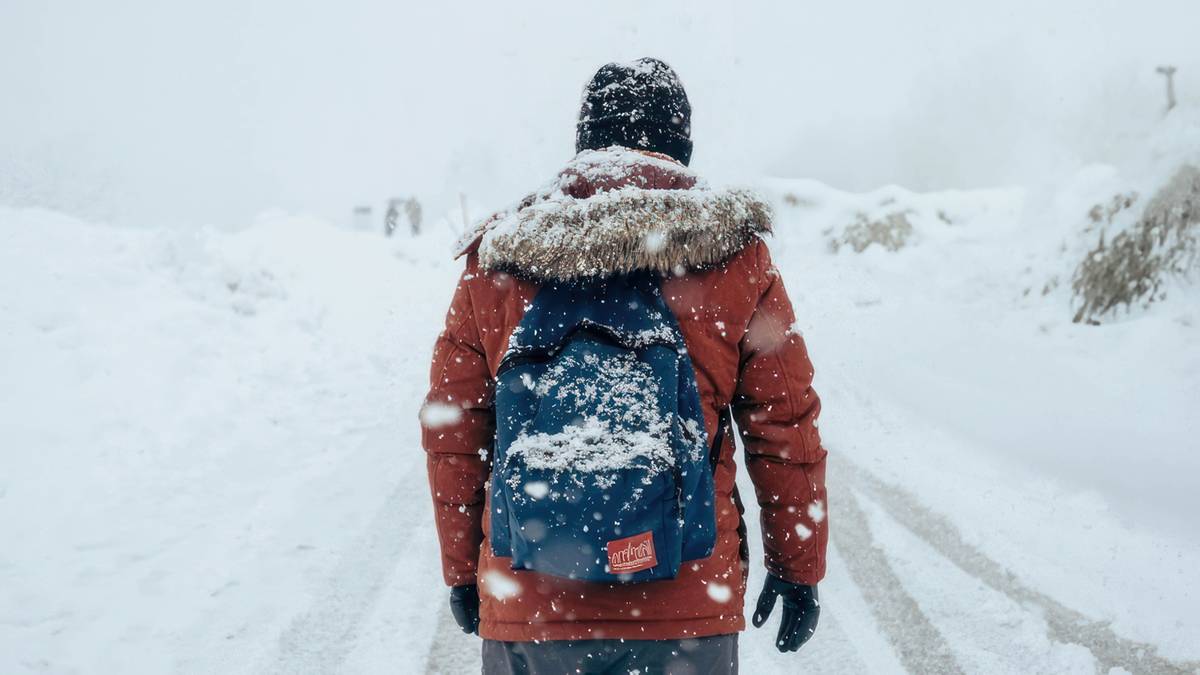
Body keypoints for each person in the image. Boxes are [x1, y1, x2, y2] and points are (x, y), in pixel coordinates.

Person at [421, 57, 828, 675]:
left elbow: (455, 434)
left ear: (584, 142)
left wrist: (462, 571)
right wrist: (798, 567)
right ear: (682, 147)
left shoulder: (496, 261)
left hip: (532, 605)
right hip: (686, 609)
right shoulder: (737, 260)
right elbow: (786, 427)